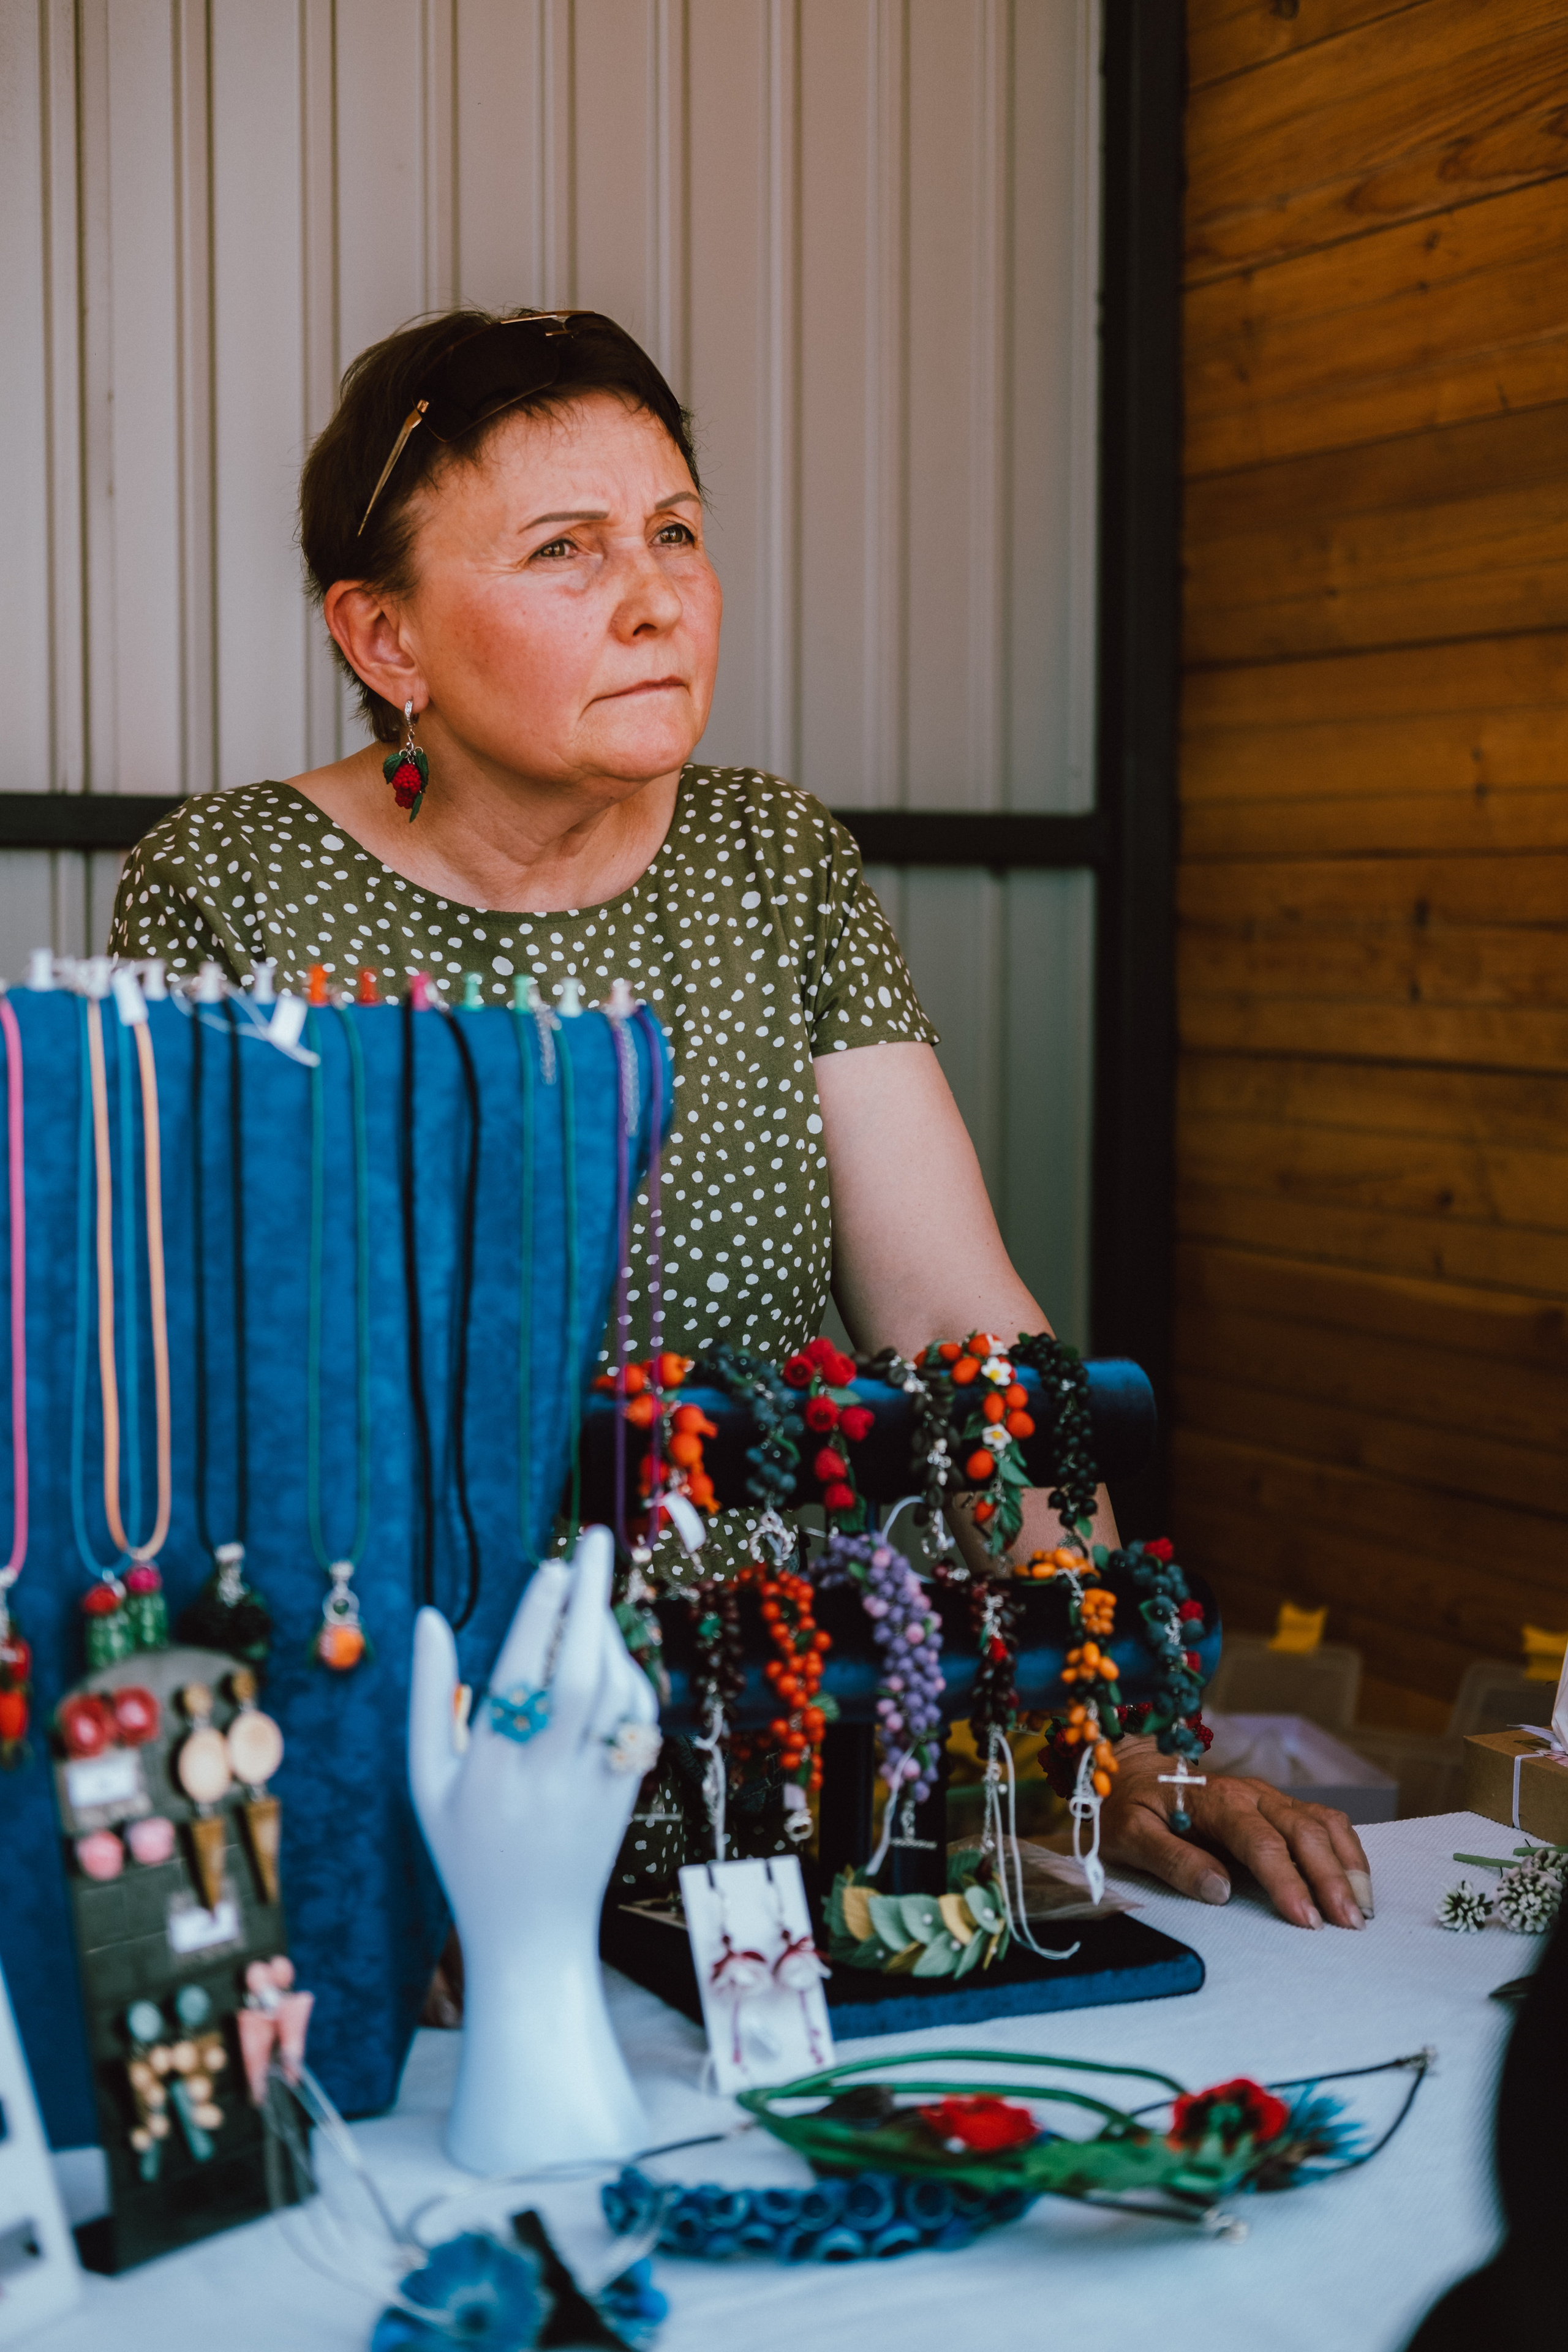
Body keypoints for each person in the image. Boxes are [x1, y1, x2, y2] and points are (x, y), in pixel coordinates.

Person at [109, 306, 1371, 1932]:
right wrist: (332, 1841)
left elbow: (962, 1332)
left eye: (677, 533)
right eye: (565, 549)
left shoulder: (773, 864)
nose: (655, 598)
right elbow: (189, 1411)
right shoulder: (225, 893)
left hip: (789, 1759)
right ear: (387, 641)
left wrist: (1103, 1731)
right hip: (403, 1773)